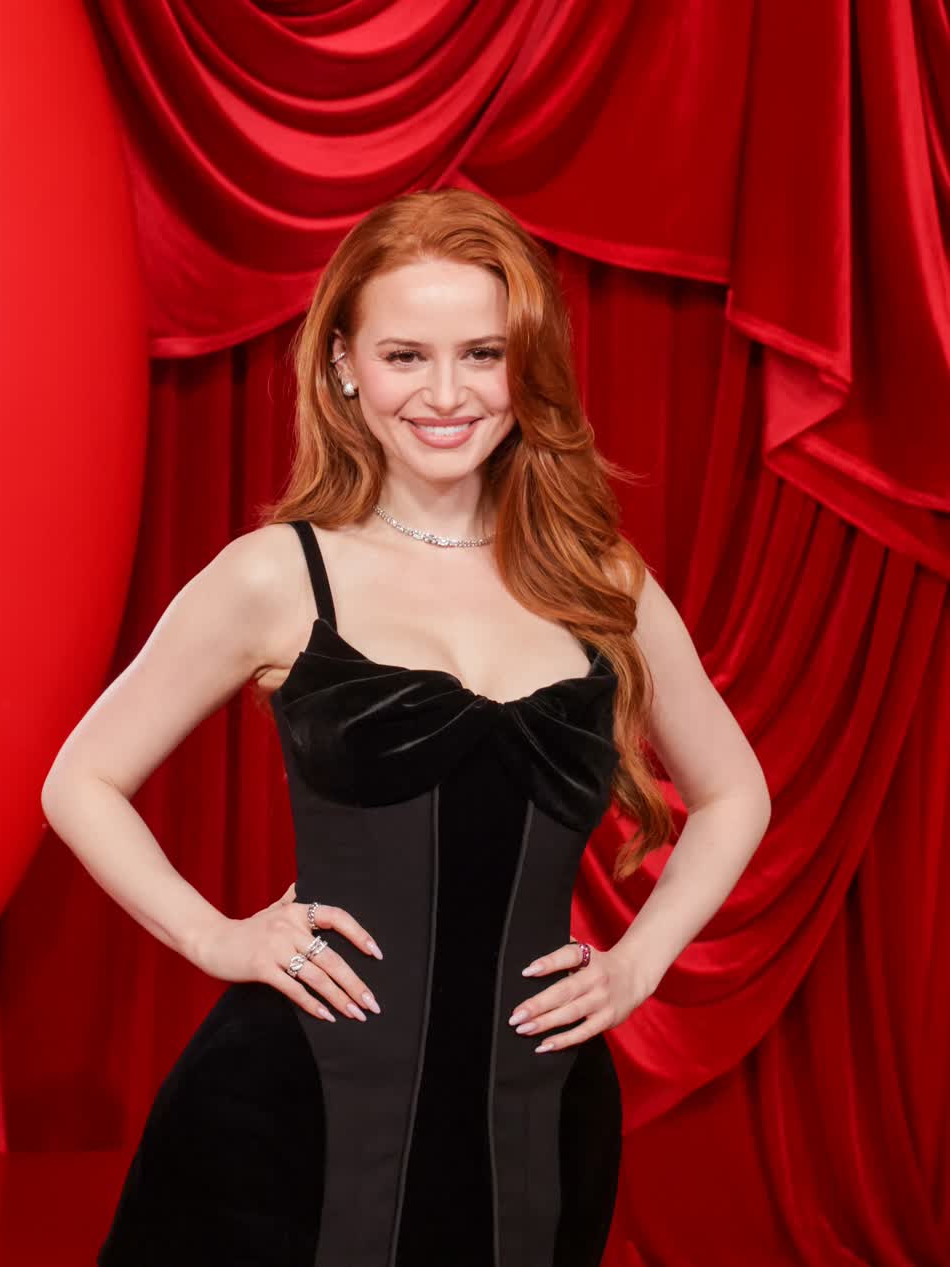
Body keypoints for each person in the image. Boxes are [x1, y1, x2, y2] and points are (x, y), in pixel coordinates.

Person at [39, 188, 772, 1267]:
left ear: (525, 364)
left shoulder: (601, 581)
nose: (445, 393)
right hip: (284, 1115)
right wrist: (215, 937)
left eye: (482, 354)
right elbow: (79, 779)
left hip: (537, 1114)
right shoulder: (276, 574)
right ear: (343, 364)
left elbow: (735, 792)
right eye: (404, 355)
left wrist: (638, 964)